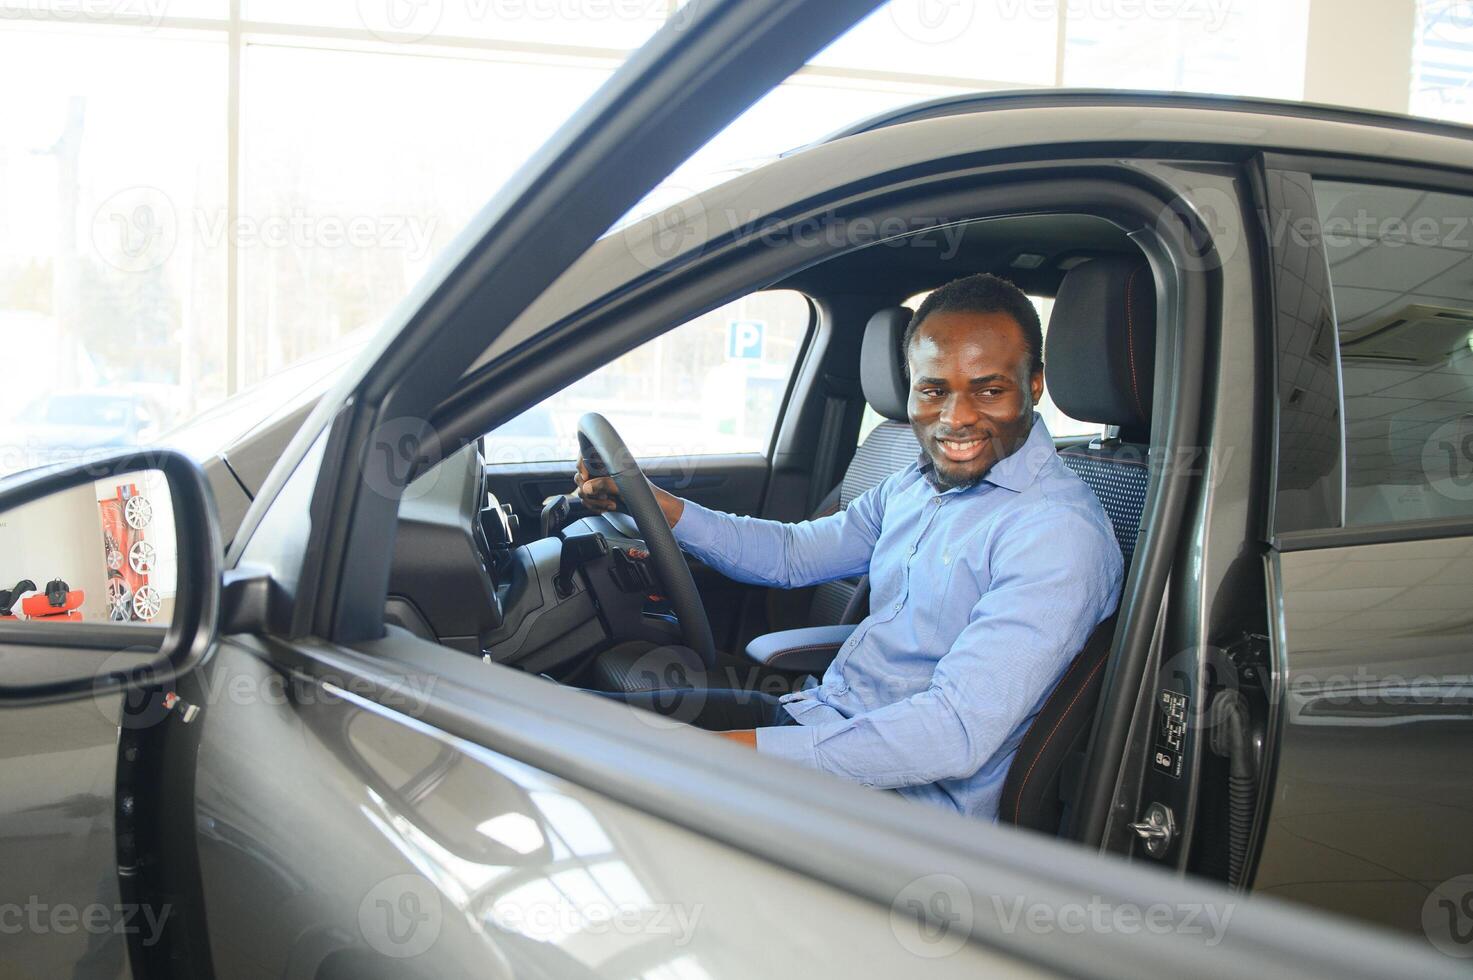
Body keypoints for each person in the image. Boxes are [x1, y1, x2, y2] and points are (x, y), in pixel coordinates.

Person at [576, 273, 1123, 821]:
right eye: (933, 390)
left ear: (1033, 387)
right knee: (578, 721)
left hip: (901, 809)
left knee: (619, 781)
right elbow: (793, 555)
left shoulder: (1055, 534)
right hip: (823, 722)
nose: (956, 418)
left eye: (988, 389)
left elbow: (952, 732)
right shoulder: (917, 484)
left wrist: (725, 758)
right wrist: (661, 507)